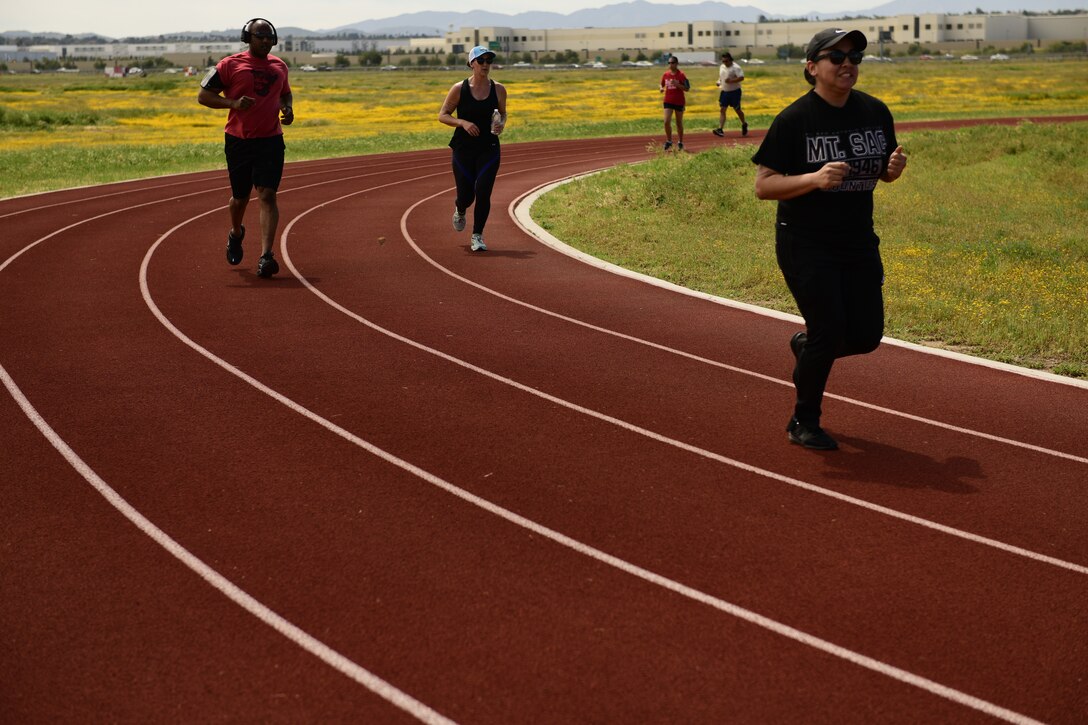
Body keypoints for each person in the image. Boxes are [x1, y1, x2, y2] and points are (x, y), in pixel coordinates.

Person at [751, 28, 908, 450]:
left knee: (866, 335)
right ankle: (803, 421)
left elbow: (880, 171)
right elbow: (764, 186)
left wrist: (891, 169)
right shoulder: (795, 120)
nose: (847, 64)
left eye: (855, 57)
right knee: (828, 328)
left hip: (857, 240)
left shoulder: (875, 111)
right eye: (835, 56)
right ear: (811, 67)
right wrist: (814, 179)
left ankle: (807, 350)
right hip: (805, 241)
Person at [197, 18, 293, 278]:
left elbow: (285, 93)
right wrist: (233, 104)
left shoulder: (279, 66)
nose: (264, 41)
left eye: (268, 37)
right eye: (259, 36)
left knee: (267, 194)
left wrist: (288, 108)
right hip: (239, 140)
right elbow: (203, 96)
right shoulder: (228, 65)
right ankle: (236, 233)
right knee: (240, 198)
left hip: (271, 139)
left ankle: (266, 256)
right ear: (247, 38)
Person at [439, 45, 507, 253]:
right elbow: (443, 115)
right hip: (463, 149)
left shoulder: (499, 89)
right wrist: (463, 123)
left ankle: (477, 235)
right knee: (467, 196)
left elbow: (503, 114)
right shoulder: (459, 89)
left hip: (489, 147)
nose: (486, 64)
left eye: (489, 60)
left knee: (483, 191)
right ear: (471, 64)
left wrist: (500, 124)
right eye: (481, 60)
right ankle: (460, 209)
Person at [713, 52, 747, 137]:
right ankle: (720, 129)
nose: (725, 63)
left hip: (735, 92)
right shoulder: (722, 67)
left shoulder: (736, 68)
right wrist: (719, 82)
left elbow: (741, 77)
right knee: (722, 109)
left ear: (730, 60)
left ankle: (744, 123)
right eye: (723, 61)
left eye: (726, 61)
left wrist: (731, 81)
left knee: (737, 110)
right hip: (724, 91)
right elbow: (721, 77)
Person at [659, 56, 689, 151]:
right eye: (669, 63)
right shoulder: (666, 74)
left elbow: (687, 88)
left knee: (678, 122)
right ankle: (669, 141)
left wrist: (677, 84)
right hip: (668, 100)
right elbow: (661, 83)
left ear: (676, 63)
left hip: (679, 101)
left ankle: (680, 142)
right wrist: (661, 88)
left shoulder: (681, 75)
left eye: (672, 63)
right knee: (666, 121)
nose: (670, 65)